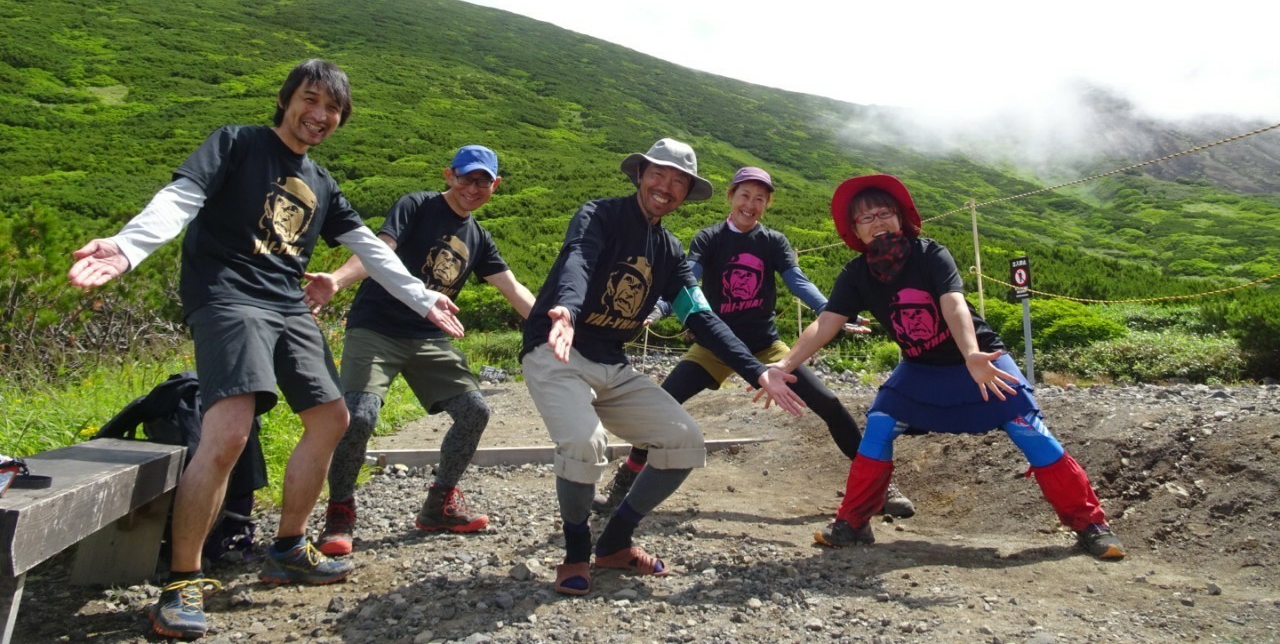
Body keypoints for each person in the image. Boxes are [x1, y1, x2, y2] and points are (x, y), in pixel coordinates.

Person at [67, 60, 466, 640]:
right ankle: (182, 581)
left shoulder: (323, 183)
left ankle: (287, 548)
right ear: (286, 100)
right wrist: (130, 246)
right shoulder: (237, 144)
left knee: (332, 417)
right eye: (311, 99)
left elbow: (369, 250)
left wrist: (420, 295)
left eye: (333, 109)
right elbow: (181, 197)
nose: (320, 115)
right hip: (228, 296)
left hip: (288, 304)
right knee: (228, 432)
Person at [773, 174, 1125, 560]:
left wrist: (972, 354)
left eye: (883, 213)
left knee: (1028, 429)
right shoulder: (856, 274)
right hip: (921, 367)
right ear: (854, 230)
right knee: (880, 423)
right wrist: (784, 365)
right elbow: (827, 322)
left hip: (979, 358)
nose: (877, 222)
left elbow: (953, 304)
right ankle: (853, 524)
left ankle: (1091, 525)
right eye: (865, 218)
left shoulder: (930, 254)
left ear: (900, 217)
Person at [520, 138, 808, 597]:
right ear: (640, 174)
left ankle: (615, 543)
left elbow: (700, 315)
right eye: (659, 173)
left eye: (679, 181)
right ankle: (576, 553)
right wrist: (568, 309)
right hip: (558, 349)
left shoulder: (671, 251)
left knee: (684, 440)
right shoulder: (600, 215)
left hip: (612, 361)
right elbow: (580, 257)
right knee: (582, 441)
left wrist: (757, 370)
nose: (666, 186)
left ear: (686, 192)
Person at [595, 165, 915, 518]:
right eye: (745, 195)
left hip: (766, 346)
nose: (751, 204)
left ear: (767, 204)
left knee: (829, 403)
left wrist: (831, 310)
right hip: (714, 346)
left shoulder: (773, 241)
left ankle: (880, 486)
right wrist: (656, 308)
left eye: (760, 198)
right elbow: (688, 283)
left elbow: (796, 280)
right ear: (731, 196)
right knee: (662, 404)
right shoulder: (709, 238)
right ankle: (623, 485)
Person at [301, 144, 536, 554]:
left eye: (484, 181)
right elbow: (380, 250)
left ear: (495, 185)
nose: (473, 187)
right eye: (466, 177)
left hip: (429, 336)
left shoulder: (479, 238)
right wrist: (337, 280)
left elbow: (512, 289)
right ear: (449, 176)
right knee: (357, 415)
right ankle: (339, 511)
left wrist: (558, 328)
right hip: (376, 326)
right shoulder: (416, 205)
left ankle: (439, 504)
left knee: (474, 412)